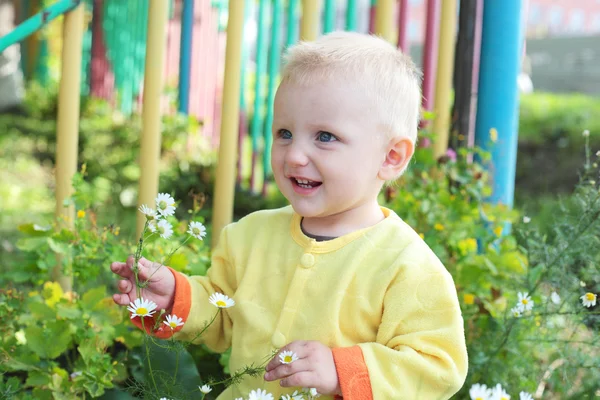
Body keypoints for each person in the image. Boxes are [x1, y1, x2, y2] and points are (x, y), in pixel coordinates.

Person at [111, 31, 468, 400]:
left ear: (391, 156)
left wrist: (341, 369)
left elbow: (438, 368)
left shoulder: (405, 265)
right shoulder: (249, 235)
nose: (294, 154)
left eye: (325, 137)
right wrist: (176, 298)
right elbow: (224, 314)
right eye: (284, 132)